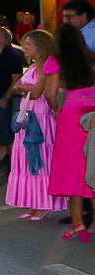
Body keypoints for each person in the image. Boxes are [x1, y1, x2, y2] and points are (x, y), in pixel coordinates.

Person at [6, 30, 66, 219]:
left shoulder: (47, 66)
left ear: (40, 46)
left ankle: (43, 203)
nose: (24, 48)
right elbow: (16, 88)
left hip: (40, 116)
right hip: (28, 114)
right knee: (26, 158)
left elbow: (38, 91)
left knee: (40, 157)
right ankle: (32, 202)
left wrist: (21, 88)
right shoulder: (33, 67)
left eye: (28, 44)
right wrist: (22, 88)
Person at [47, 24, 95, 242]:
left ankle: (78, 225)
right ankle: (93, 225)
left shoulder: (56, 60)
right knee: (92, 168)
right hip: (93, 114)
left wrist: (57, 109)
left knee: (73, 169)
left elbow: (50, 94)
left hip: (72, 115)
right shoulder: (92, 58)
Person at [0, 27, 23, 172]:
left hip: (4, 101)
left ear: (2, 39)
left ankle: (13, 164)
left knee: (6, 132)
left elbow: (16, 79)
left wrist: (6, 98)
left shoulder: (12, 55)